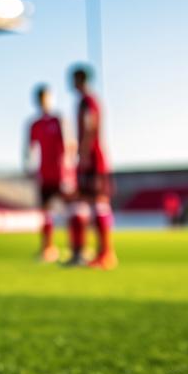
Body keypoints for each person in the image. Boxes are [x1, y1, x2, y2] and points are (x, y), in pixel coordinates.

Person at [67, 64, 117, 269]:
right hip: (89, 159)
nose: (71, 83)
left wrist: (84, 154)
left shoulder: (87, 101)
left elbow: (89, 126)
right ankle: (81, 251)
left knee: (98, 203)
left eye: (74, 78)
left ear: (81, 79)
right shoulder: (85, 101)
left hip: (93, 160)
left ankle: (106, 253)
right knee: (82, 204)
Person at [25, 85, 67, 262]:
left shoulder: (59, 120)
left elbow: (68, 144)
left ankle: (77, 248)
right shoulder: (34, 124)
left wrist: (69, 169)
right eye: (40, 98)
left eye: (46, 97)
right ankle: (48, 248)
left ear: (51, 98)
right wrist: (30, 166)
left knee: (73, 210)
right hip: (45, 174)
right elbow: (30, 148)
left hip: (62, 174)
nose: (43, 101)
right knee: (46, 213)